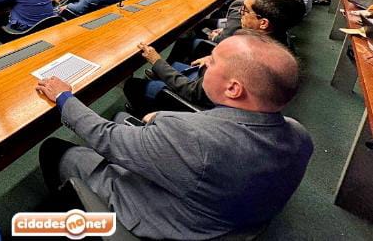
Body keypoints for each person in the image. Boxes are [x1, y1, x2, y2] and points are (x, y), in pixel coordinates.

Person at [37, 33, 313, 241]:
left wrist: (64, 97)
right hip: (230, 218)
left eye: (213, 61)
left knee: (55, 150)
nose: (206, 63)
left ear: (233, 89)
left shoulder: (191, 137)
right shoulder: (299, 134)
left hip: (173, 223)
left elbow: (106, 137)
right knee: (124, 119)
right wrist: (163, 119)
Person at [126, 0, 307, 114]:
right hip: (208, 80)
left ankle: (145, 114)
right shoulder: (281, 45)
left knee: (133, 85)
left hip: (202, 102)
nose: (240, 14)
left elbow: (192, 92)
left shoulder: (243, 57)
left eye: (245, 11)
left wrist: (156, 60)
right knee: (174, 62)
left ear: (263, 23)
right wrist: (214, 59)